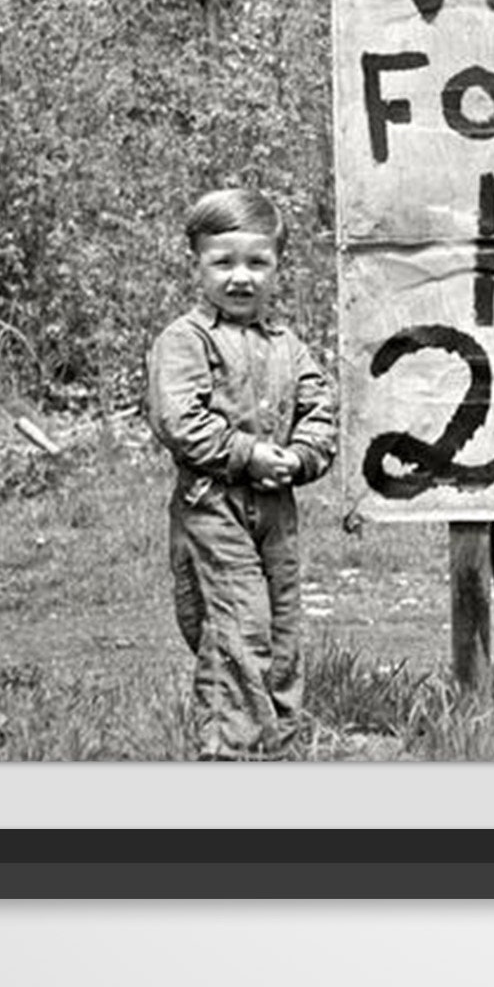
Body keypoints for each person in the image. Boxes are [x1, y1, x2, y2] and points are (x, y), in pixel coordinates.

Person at [146, 189, 337, 758]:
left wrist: (299, 457)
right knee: (236, 625)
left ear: (278, 265)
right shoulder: (186, 339)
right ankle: (232, 751)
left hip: (276, 508)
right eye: (222, 262)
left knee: (281, 625)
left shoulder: (288, 344)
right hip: (213, 504)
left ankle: (278, 739)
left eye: (258, 262)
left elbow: (320, 411)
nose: (240, 277)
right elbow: (180, 420)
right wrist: (248, 453)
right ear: (196, 264)